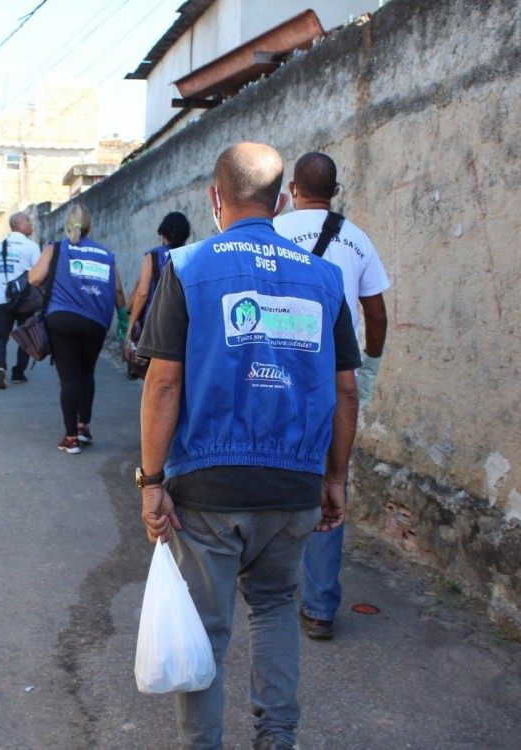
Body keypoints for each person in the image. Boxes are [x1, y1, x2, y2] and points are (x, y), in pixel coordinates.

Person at [136, 143, 360, 750]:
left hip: (207, 489)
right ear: (281, 200)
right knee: (275, 608)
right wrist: (334, 479)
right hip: (292, 488)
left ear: (215, 198)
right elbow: (345, 390)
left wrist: (152, 481)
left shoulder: (184, 268)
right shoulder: (325, 278)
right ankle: (277, 739)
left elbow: (163, 383)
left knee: (206, 631)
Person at [273, 152, 389, 641]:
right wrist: (370, 364)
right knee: (329, 479)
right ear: (335, 191)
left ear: (294, 189)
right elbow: (377, 313)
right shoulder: (358, 239)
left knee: (270, 467)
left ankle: (266, 582)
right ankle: (319, 607)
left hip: (278, 369)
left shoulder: (273, 233)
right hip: (335, 374)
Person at [27, 204, 125, 454]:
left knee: (69, 378)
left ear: (67, 225)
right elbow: (118, 291)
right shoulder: (106, 254)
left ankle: (70, 438)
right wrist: (124, 318)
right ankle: (84, 428)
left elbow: (34, 279)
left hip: (62, 320)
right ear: (89, 226)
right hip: (96, 322)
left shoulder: (56, 248)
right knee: (86, 374)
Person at [124, 212, 191, 371]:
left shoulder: (153, 256)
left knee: (152, 374)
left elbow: (143, 293)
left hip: (156, 324)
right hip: (184, 325)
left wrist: (131, 325)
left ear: (163, 233)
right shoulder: (191, 254)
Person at [0, 212, 41, 389]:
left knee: (0, 337)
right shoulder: (31, 247)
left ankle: (0, 368)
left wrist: (0, 291)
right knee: (25, 336)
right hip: (25, 301)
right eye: (28, 220)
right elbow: (38, 275)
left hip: (4, 300)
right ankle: (18, 373)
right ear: (19, 225)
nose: (31, 223)